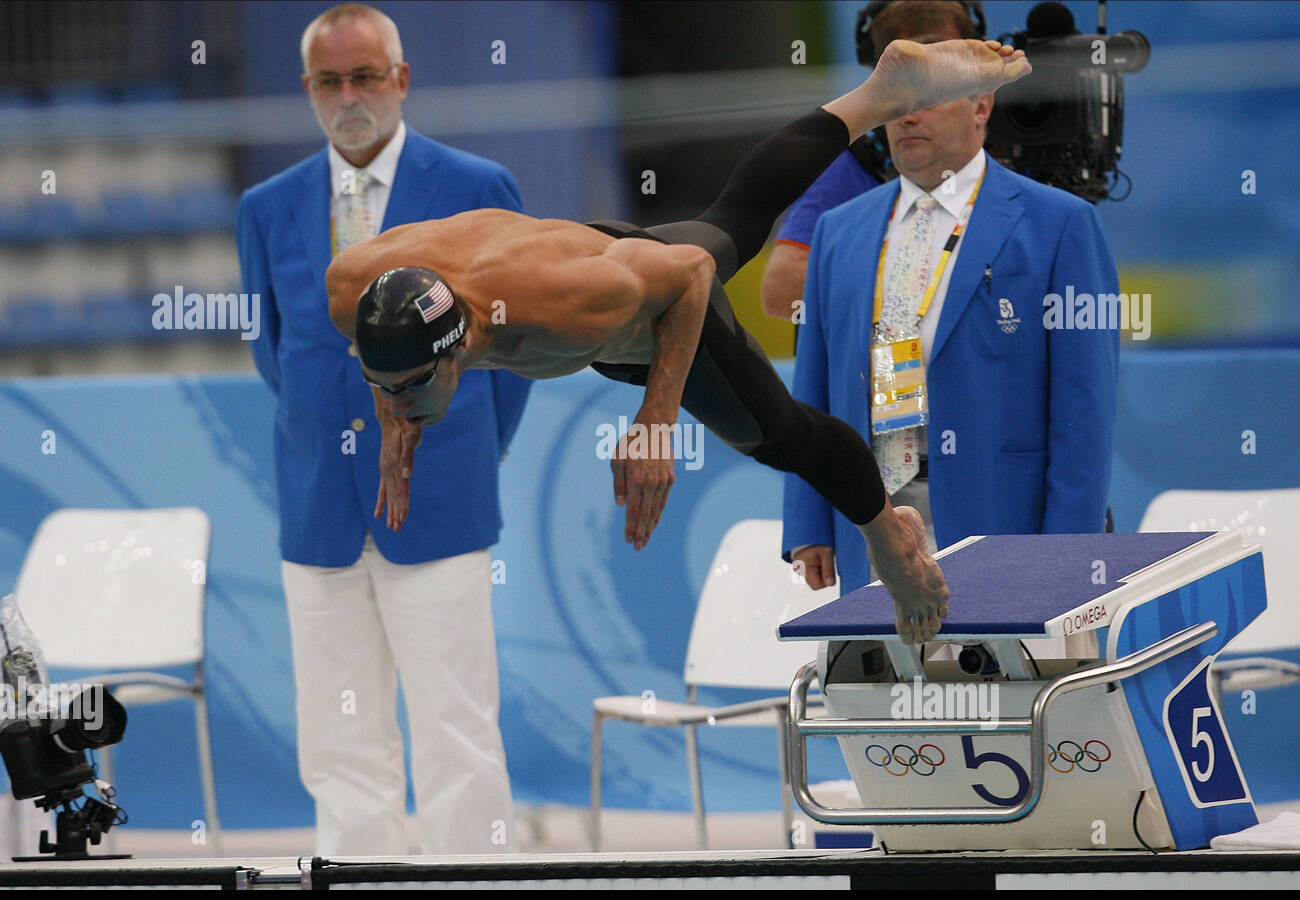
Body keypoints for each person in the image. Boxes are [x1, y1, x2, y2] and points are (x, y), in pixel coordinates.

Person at [325, 38, 1032, 646]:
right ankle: (883, 92)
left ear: (461, 347)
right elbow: (393, 350)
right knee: (734, 217)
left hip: (653, 308)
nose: (397, 396)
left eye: (414, 383)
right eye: (382, 380)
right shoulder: (352, 295)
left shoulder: (563, 307)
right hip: (606, 258)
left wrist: (656, 424)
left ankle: (890, 535)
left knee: (783, 435)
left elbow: (689, 276)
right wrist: (395, 413)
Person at [236, 3, 531, 855]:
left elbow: (511, 354)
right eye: (331, 81)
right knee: (337, 736)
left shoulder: (476, 187)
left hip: (439, 496)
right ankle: (355, 879)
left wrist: (464, 447)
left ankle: (469, 882)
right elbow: (274, 349)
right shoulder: (268, 205)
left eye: (366, 76)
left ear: (401, 79)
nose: (350, 95)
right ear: (308, 91)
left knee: (456, 726)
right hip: (319, 507)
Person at [782, 8, 1120, 612]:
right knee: (887, 702)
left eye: (929, 98)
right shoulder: (839, 231)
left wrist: (1068, 550)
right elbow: (812, 389)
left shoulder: (1062, 225)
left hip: (1003, 518)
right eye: (896, 100)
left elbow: (1084, 407)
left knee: (1004, 700)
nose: (907, 115)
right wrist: (809, 520)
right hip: (875, 522)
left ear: (981, 106)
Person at [761, 2, 983, 323]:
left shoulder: (1026, 146)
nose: (918, 109)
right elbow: (782, 292)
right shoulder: (853, 160)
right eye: (909, 78)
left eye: (943, 74)